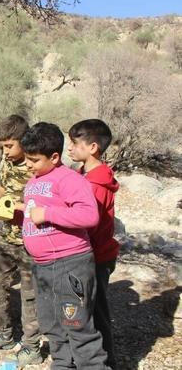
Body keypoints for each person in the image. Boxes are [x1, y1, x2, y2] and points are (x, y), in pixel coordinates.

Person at [20, 122, 110, 369]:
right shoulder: (33, 182)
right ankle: (62, 365)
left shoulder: (69, 179)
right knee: (52, 325)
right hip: (43, 266)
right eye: (26, 158)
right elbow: (34, 215)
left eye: (34, 159)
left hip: (70, 264)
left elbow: (88, 215)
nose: (28, 164)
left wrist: (47, 213)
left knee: (77, 327)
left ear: (55, 156)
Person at [0, 115, 42, 367]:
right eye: (2, 146)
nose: (5, 151)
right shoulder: (8, 162)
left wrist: (14, 207)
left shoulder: (37, 165)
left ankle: (31, 346)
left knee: (29, 297)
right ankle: (3, 334)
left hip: (31, 242)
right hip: (7, 239)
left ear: (24, 141)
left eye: (9, 146)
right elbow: (4, 187)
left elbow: (43, 204)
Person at [68, 119, 120, 369]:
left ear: (93, 147)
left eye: (75, 144)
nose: (70, 149)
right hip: (89, 254)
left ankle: (107, 360)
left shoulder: (96, 183)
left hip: (96, 256)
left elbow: (89, 223)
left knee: (96, 312)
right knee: (85, 309)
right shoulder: (84, 175)